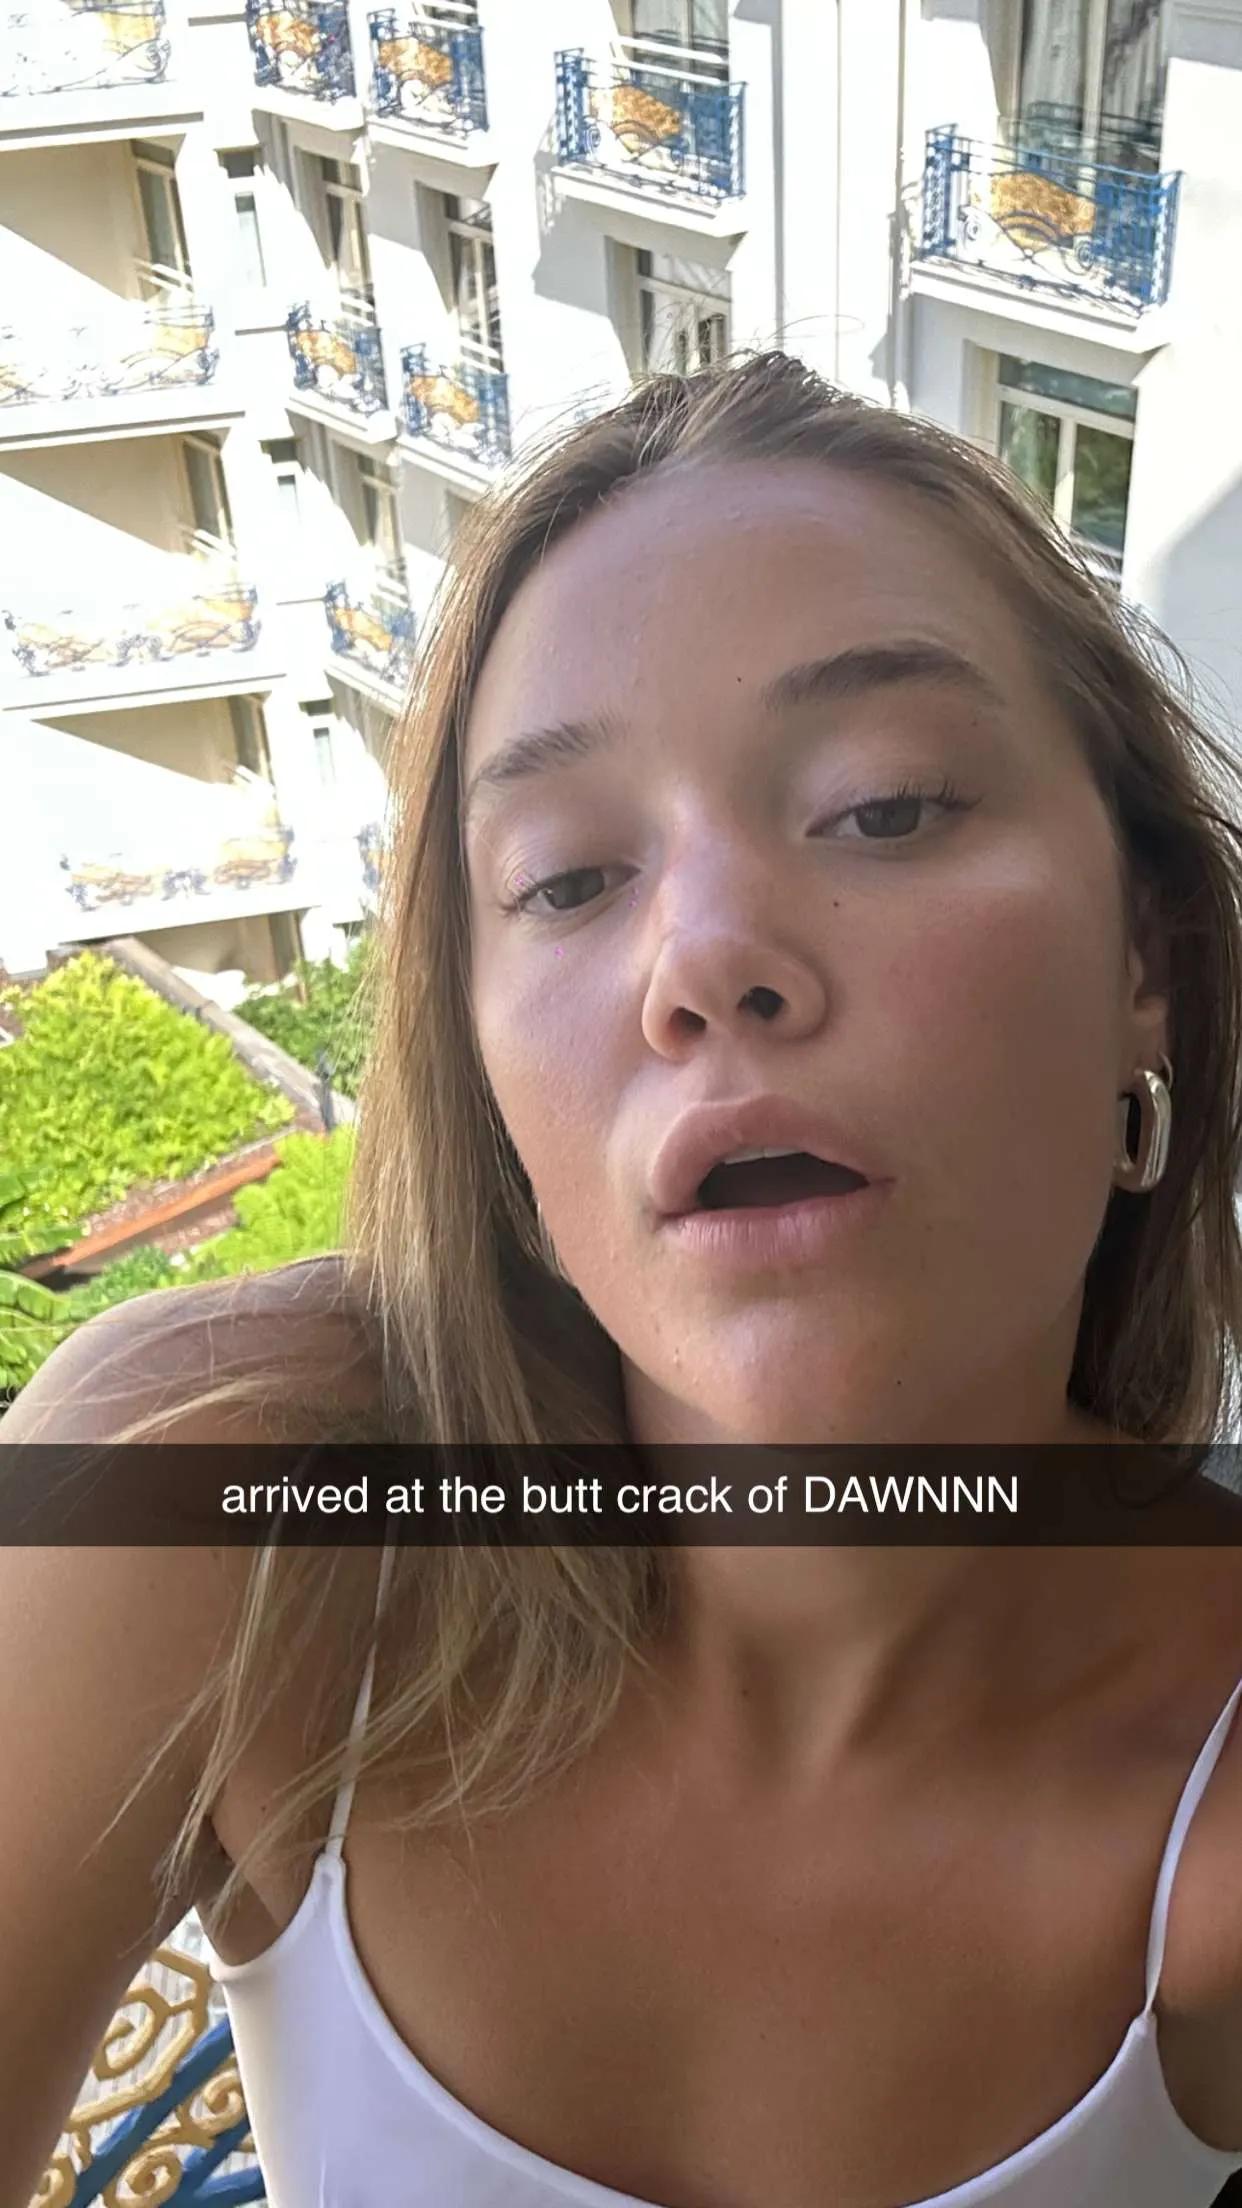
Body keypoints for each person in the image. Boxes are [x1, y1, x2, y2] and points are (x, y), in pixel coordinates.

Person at [4, 352, 1242, 2208]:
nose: (706, 955)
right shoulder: (219, 1513)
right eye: (569, 879)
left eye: (884, 806)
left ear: (1147, 958)